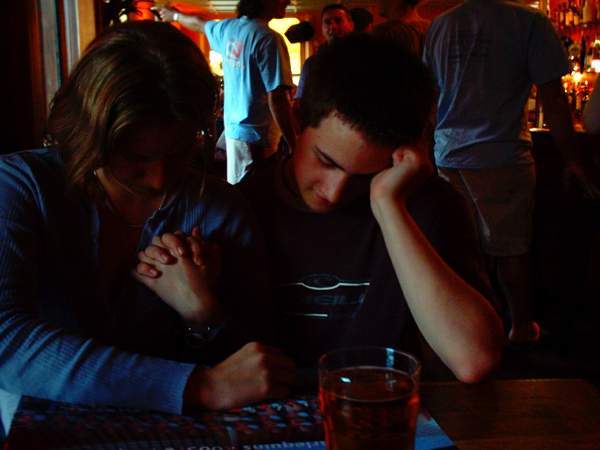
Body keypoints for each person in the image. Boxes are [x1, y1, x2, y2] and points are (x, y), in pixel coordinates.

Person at [139, 34, 505, 383]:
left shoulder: (426, 205)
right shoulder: (243, 204)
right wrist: (201, 311)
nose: (334, 192)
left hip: (383, 409)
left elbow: (473, 359)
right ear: (297, 119)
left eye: (367, 176)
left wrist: (388, 205)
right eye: (326, 161)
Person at [0, 21, 295, 438]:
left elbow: (254, 368)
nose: (158, 179)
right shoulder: (19, 187)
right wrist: (198, 386)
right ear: (89, 131)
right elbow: (6, 340)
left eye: (179, 152)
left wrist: (203, 313)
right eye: (135, 157)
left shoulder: (218, 207)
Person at [423, 0, 600, 343]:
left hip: (447, 155)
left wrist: (427, 151)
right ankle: (520, 328)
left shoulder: (441, 26)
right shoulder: (528, 21)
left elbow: (429, 98)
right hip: (502, 154)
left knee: (462, 250)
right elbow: (554, 99)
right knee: (512, 250)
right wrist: (574, 160)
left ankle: (468, 331)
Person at [153, 0, 296, 185]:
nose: (287, 2)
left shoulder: (229, 29)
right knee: (257, 193)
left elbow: (199, 24)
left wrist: (174, 16)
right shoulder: (268, 38)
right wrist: (294, 143)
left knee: (239, 189)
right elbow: (277, 98)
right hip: (258, 139)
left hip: (235, 133)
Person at [294, 4, 354, 101]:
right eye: (327, 22)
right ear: (322, 28)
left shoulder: (364, 58)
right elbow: (301, 100)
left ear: (351, 25)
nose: (333, 26)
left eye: (338, 21)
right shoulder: (311, 64)